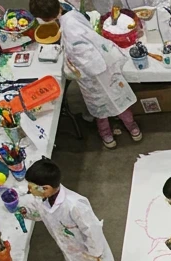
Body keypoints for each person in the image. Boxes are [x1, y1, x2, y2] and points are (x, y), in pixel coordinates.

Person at [28, 0, 142, 149]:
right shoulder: (71, 14)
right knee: (118, 99)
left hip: (90, 74)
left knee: (100, 107)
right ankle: (133, 128)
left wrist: (72, 68)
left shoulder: (69, 30)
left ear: (45, 19)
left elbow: (82, 57)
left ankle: (107, 136)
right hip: (105, 67)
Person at [19, 159, 120, 261]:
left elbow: (92, 229)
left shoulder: (74, 205)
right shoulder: (43, 199)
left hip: (89, 251)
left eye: (31, 187)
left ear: (45, 188)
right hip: (75, 248)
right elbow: (44, 214)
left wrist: (94, 252)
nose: (29, 190)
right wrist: (26, 212)